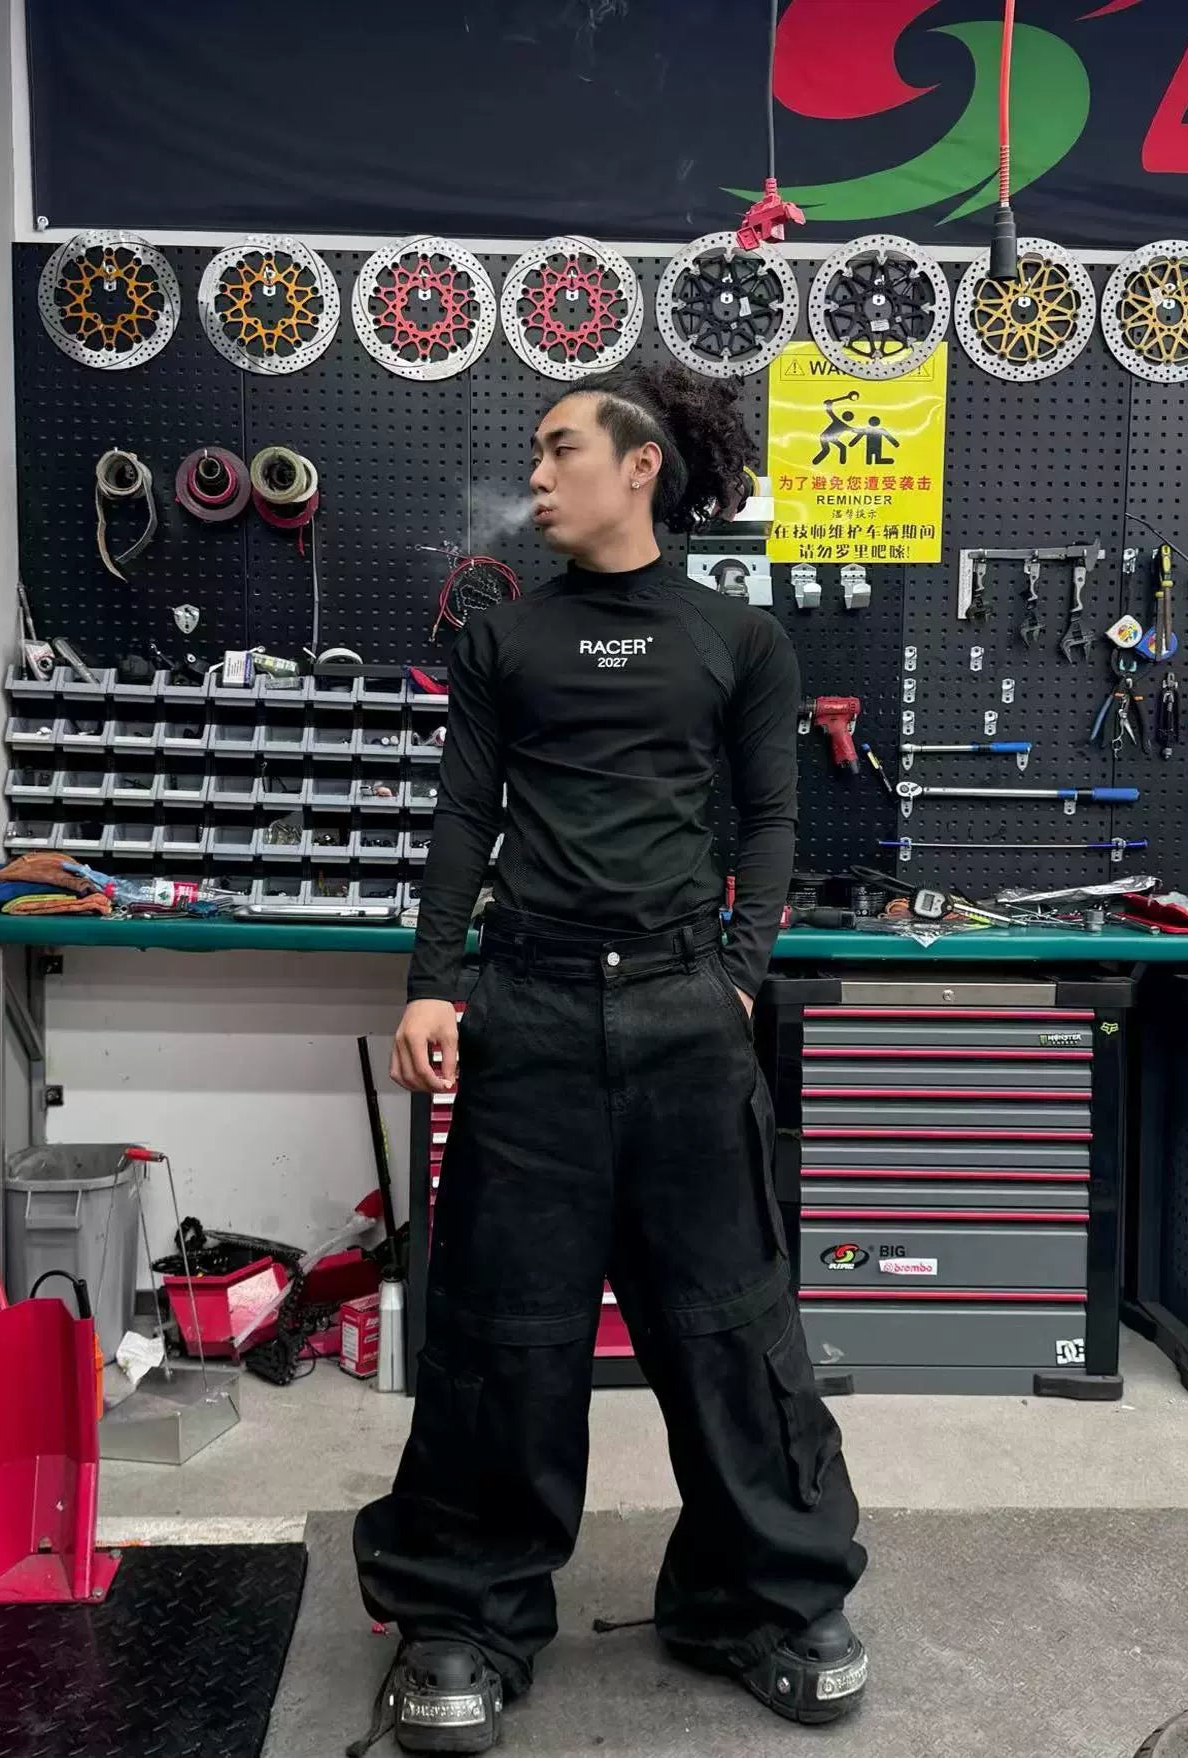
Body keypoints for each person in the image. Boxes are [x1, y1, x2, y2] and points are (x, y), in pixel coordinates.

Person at [353, 363, 867, 1754]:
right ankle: (467, 1613)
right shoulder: (503, 639)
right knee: (502, 1328)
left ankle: (762, 1598)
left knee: (727, 1321)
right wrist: (433, 985)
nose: (535, 475)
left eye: (559, 448)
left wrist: (740, 972)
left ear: (639, 466)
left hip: (682, 1009)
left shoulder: (738, 639)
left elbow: (770, 817)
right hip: (525, 1012)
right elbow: (464, 818)